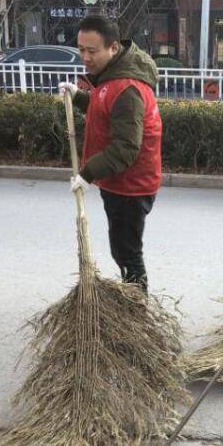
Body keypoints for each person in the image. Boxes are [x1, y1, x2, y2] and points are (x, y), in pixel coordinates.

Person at [59, 15, 162, 292]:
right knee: (123, 249)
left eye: (92, 51)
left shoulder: (127, 88)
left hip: (130, 187)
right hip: (119, 182)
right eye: (81, 49)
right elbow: (105, 108)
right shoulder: (110, 77)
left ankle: (137, 308)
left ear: (113, 48)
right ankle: (133, 299)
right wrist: (79, 96)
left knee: (127, 253)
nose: (85, 57)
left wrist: (87, 173)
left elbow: (126, 148)